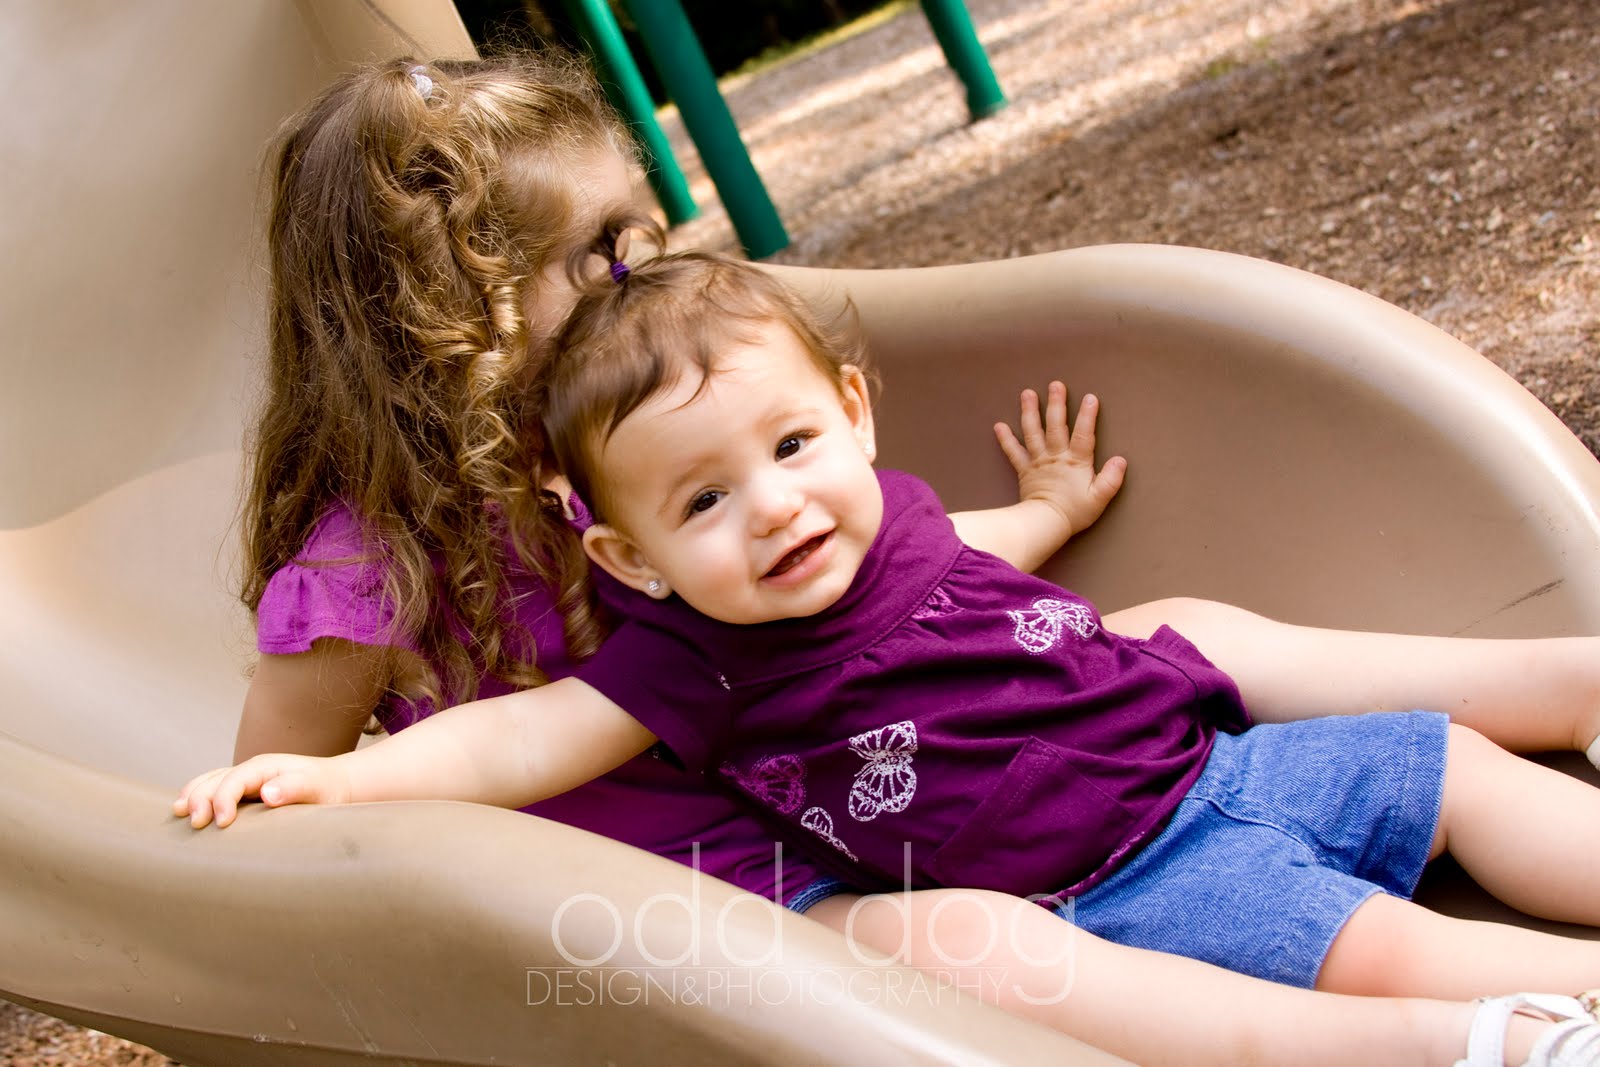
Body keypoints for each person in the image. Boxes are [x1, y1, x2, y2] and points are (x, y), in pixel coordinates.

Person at [184, 245, 1600, 1064]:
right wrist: (335, 780)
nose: (775, 505)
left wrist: (1050, 510)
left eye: (794, 445)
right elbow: (518, 737)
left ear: (854, 415)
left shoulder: (888, 511)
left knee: (1456, 766)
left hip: (1213, 759)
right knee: (1379, 946)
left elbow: (971, 548)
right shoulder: (692, 660)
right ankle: (1521, 1030)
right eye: (704, 501)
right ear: (631, 558)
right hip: (1128, 877)